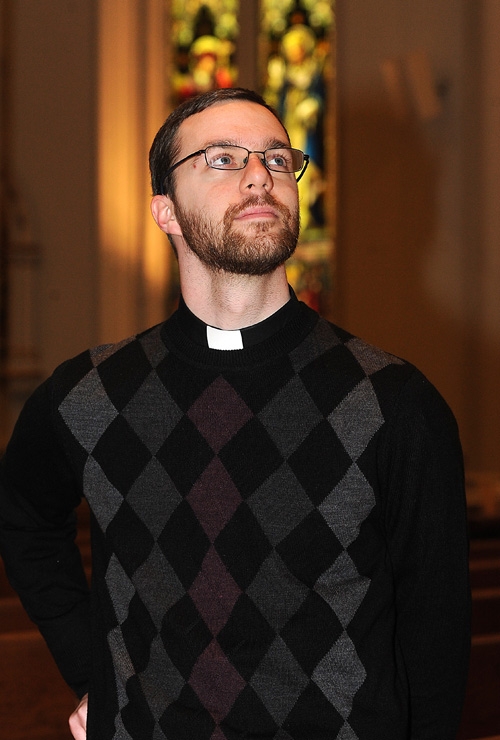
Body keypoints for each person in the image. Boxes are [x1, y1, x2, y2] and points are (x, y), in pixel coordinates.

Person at [0, 87, 470, 740]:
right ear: (165, 210)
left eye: (278, 159)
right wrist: (91, 670)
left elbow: (436, 634)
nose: (259, 174)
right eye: (222, 159)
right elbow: (21, 515)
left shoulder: (393, 401)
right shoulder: (90, 394)